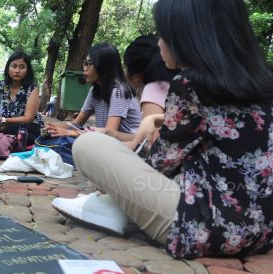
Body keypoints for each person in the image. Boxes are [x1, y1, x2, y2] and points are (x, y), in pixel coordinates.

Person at [52, 0, 273, 259]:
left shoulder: (190, 84)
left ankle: (115, 207)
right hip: (262, 229)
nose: (159, 44)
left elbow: (160, 163)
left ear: (188, 36)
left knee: (88, 145)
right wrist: (157, 121)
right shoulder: (261, 83)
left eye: (163, 34)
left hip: (202, 226)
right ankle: (115, 205)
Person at [46, 43, 140, 141]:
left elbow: (109, 133)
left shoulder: (118, 92)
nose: (84, 68)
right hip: (107, 142)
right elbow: (77, 123)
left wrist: (70, 133)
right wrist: (52, 126)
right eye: (84, 63)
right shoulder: (95, 90)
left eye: (89, 64)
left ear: (103, 66)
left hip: (130, 147)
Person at [123, 35, 177, 150]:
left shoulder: (153, 90)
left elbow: (153, 146)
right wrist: (113, 134)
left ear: (136, 76)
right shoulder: (181, 82)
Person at [0, 51, 43, 146]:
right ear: (8, 69)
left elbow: (28, 118)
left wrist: (1, 120)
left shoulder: (32, 88)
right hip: (4, 127)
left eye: (22, 67)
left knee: (16, 130)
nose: (17, 71)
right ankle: (4, 141)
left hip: (28, 128)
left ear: (27, 71)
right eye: (14, 66)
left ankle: (4, 141)